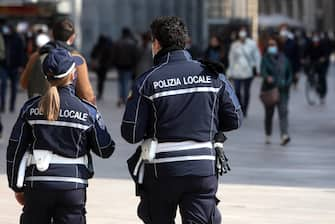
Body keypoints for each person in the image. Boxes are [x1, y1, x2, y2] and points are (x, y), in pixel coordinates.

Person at [121, 16, 242, 224]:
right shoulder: (213, 75)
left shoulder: (147, 81)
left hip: (162, 171)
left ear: (156, 43)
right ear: (185, 41)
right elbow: (234, 119)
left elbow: (131, 133)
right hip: (202, 168)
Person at [6, 48, 115, 224]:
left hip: (37, 185)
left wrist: (16, 186)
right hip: (72, 186)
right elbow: (105, 150)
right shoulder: (87, 111)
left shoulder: (29, 108)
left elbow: (15, 148)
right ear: (73, 75)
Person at [27, 18, 96, 104]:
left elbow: (24, 83)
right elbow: (86, 94)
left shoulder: (37, 55)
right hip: (68, 108)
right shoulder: (77, 59)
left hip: (39, 107)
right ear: (72, 37)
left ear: (52, 34)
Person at [261, 37, 292, 145]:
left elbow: (289, 74)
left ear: (278, 46)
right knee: (269, 114)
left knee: (283, 113)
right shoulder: (265, 58)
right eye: (269, 45)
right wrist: (267, 77)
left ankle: (284, 135)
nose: (271, 47)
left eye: (273, 44)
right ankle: (268, 134)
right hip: (270, 90)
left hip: (283, 91)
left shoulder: (285, 59)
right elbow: (263, 71)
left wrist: (286, 83)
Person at [227, 27, 261, 118]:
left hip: (248, 71)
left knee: (246, 91)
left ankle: (245, 109)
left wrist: (258, 69)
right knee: (237, 91)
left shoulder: (252, 44)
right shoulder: (234, 45)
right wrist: (229, 72)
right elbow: (231, 59)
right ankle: (240, 107)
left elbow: (257, 56)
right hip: (237, 71)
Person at [0, 23, 25, 112]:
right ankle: (2, 106)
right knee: (3, 85)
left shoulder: (17, 38)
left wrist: (21, 65)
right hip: (3, 65)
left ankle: (12, 106)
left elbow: (21, 53)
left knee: (14, 87)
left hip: (15, 66)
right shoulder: (3, 38)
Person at [111, 27, 138, 107]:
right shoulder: (132, 43)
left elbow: (114, 54)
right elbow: (135, 56)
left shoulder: (118, 42)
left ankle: (120, 98)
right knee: (126, 82)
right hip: (128, 66)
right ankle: (125, 99)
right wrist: (134, 65)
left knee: (120, 82)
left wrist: (115, 63)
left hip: (119, 65)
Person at [20, 33, 50, 98]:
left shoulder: (34, 57)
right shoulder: (55, 56)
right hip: (50, 95)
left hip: (35, 96)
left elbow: (24, 81)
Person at [90, 34, 113, 100]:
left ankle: (99, 92)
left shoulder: (97, 46)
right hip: (104, 66)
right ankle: (100, 92)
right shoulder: (107, 47)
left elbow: (92, 55)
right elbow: (110, 57)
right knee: (102, 80)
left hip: (98, 66)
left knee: (99, 79)